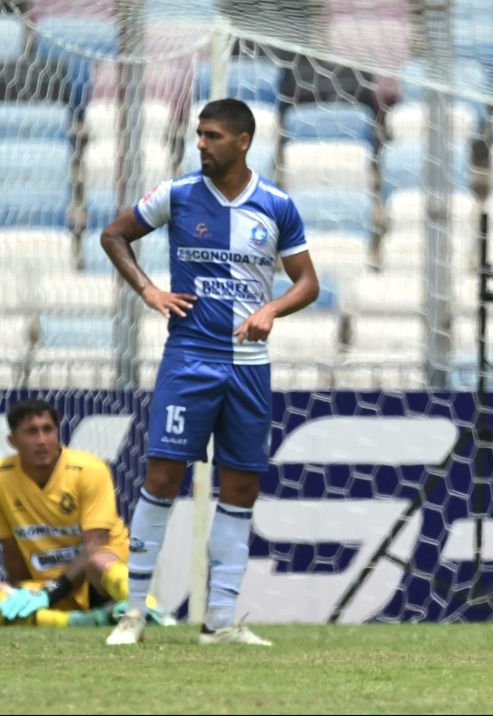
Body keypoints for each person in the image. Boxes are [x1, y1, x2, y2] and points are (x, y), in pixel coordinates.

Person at [101, 98, 320, 646]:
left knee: (242, 485)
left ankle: (219, 621)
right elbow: (114, 234)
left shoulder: (276, 205)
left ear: (243, 141)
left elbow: (307, 282)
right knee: (162, 478)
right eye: (199, 134)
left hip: (248, 367)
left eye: (213, 135)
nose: (201, 143)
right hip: (190, 359)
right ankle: (132, 615)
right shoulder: (177, 194)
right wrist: (149, 289)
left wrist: (271, 309)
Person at [0, 399, 160, 628]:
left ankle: (146, 608)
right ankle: (85, 621)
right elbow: (11, 551)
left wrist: (51, 592)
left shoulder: (88, 469)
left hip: (97, 582)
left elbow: (95, 545)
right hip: (47, 585)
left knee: (98, 559)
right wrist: (23, 592)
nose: (42, 440)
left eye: (48, 429)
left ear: (58, 432)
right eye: (31, 432)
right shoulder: (3, 478)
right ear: (12, 440)